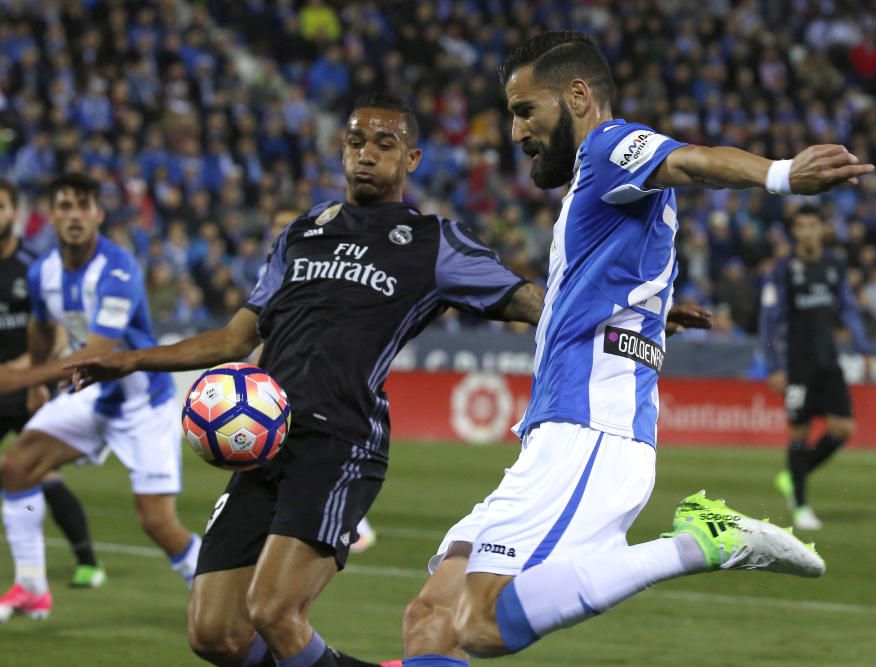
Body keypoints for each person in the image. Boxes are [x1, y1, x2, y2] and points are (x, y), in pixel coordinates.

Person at [399, 31, 874, 666]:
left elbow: (693, 160)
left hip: (590, 433)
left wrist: (781, 174)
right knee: (430, 618)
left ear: (576, 95)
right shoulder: (593, 187)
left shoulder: (607, 145)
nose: (515, 132)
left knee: (480, 624)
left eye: (523, 111)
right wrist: (645, 315)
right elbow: (601, 277)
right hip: (552, 434)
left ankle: (700, 544)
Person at [66, 93, 544, 667]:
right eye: (356, 142)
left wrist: (613, 311)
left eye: (384, 144)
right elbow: (231, 342)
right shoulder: (300, 235)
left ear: (412, 159)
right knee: (214, 634)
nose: (366, 154)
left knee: (273, 612)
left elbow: (527, 300)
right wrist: (131, 358)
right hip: (263, 441)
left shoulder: (432, 243)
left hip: (338, 441)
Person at [0, 173, 201, 623]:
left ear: (98, 214)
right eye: (65, 206)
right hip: (90, 400)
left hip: (142, 404)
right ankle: (31, 585)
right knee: (16, 468)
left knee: (157, 523)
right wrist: (34, 383)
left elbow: (98, 353)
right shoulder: (42, 272)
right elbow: (40, 327)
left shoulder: (118, 269)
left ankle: (212, 589)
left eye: (83, 206)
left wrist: (18, 378)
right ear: (50, 216)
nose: (74, 215)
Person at [0, 178, 106, 595]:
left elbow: (58, 329)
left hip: (30, 388)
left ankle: (87, 561)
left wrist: (29, 371)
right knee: (19, 475)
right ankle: (31, 565)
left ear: (16, 214)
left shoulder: (34, 266)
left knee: (44, 475)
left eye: (1, 206)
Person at [761, 205, 873, 530]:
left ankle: (794, 475)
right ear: (795, 231)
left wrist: (863, 348)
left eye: (813, 225)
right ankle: (800, 505)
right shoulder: (783, 270)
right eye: (802, 226)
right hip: (798, 365)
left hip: (829, 360)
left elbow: (848, 309)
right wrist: (773, 366)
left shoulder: (834, 265)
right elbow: (769, 322)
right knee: (799, 431)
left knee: (843, 430)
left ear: (823, 229)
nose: (808, 231)